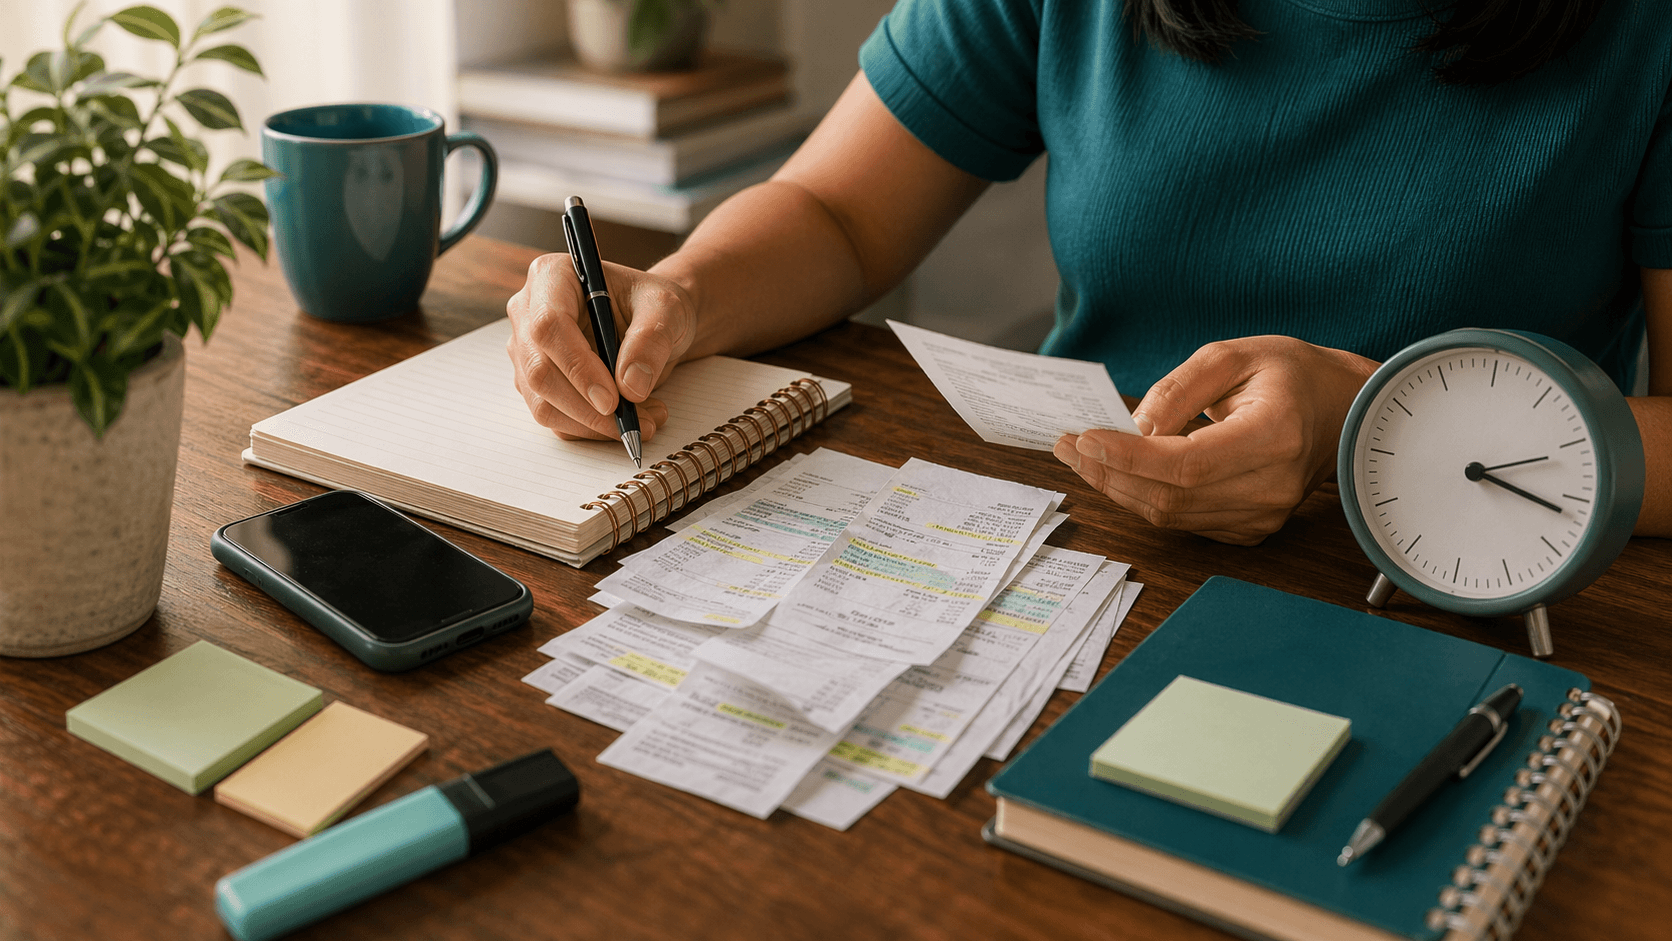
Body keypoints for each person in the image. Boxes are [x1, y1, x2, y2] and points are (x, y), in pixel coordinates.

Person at [506, 0, 1672, 544]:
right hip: (1066, 549)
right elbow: (837, 214)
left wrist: (1368, 428)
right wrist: (684, 291)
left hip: (1457, 601)